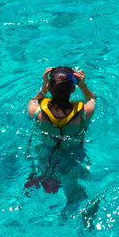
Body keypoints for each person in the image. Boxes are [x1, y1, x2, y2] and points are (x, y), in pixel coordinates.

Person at [25, 66, 98, 194]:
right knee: (72, 189)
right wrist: (83, 85)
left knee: (43, 169)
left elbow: (33, 100)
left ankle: (43, 177)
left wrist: (43, 88)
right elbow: (92, 99)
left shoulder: (35, 112)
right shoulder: (84, 113)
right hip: (73, 155)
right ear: (73, 89)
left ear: (49, 88)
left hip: (45, 153)